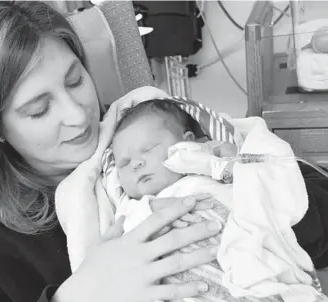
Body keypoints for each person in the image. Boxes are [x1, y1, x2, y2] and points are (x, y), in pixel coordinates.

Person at [0, 2, 328, 302]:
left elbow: (313, 205)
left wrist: (245, 187)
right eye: (39, 109)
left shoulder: (150, 126)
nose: (78, 116)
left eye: (75, 81)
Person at [55, 98, 328, 301]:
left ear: (187, 142)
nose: (136, 163)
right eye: (124, 163)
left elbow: (273, 190)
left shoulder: (214, 169)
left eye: (148, 149)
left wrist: (234, 166)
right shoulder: (130, 209)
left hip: (248, 270)